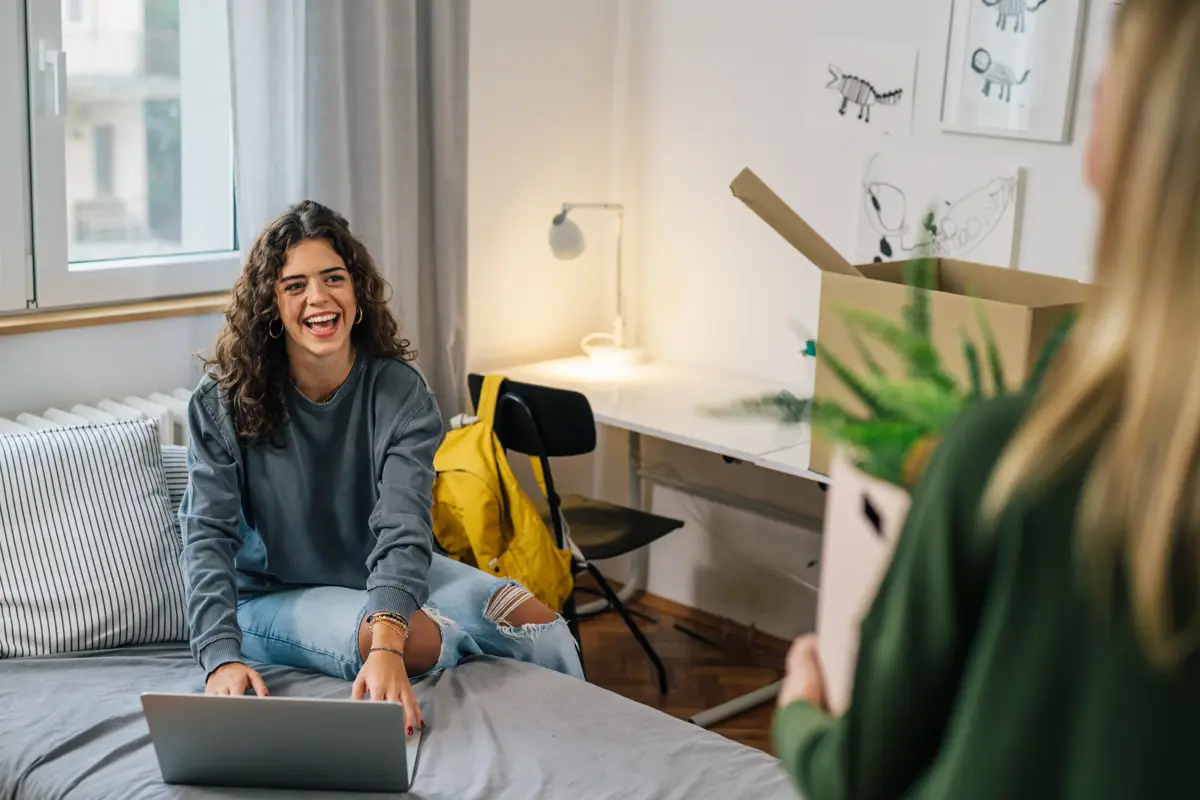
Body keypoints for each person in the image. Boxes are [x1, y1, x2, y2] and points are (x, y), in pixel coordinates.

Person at [774, 0, 1200, 796]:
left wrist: (798, 711)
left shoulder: (1013, 458)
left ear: (1121, 152)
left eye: (1107, 82)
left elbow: (862, 773)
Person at [179, 200, 584, 737]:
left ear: (358, 291)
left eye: (333, 278)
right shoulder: (221, 403)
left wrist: (387, 621)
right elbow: (206, 536)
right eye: (294, 285)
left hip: (373, 569)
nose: (318, 298)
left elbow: (403, 525)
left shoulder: (400, 392)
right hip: (273, 595)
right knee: (413, 638)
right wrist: (220, 657)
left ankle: (586, 751)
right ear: (269, 304)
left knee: (542, 625)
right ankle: (462, 653)